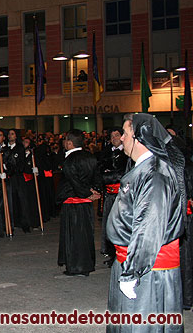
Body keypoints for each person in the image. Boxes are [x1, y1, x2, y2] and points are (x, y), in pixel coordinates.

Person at [106, 114, 185, 331]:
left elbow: (149, 227)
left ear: (139, 136)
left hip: (149, 271)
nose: (121, 138)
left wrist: (133, 272)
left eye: (125, 133)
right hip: (131, 261)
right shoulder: (142, 169)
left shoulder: (155, 174)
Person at [56, 129, 102, 277]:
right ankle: (87, 264)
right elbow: (97, 177)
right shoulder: (90, 157)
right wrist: (95, 192)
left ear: (69, 143)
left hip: (73, 202)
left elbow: (74, 182)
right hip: (86, 203)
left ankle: (75, 266)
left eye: (65, 140)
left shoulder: (69, 160)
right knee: (86, 234)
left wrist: (87, 193)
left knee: (73, 236)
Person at [98, 127, 128, 267]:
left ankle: (121, 254)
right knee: (109, 224)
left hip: (122, 195)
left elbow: (123, 174)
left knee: (120, 225)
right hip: (109, 194)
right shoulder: (106, 153)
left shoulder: (127, 153)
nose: (114, 138)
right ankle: (110, 253)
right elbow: (99, 170)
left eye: (117, 135)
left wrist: (108, 175)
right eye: (112, 136)